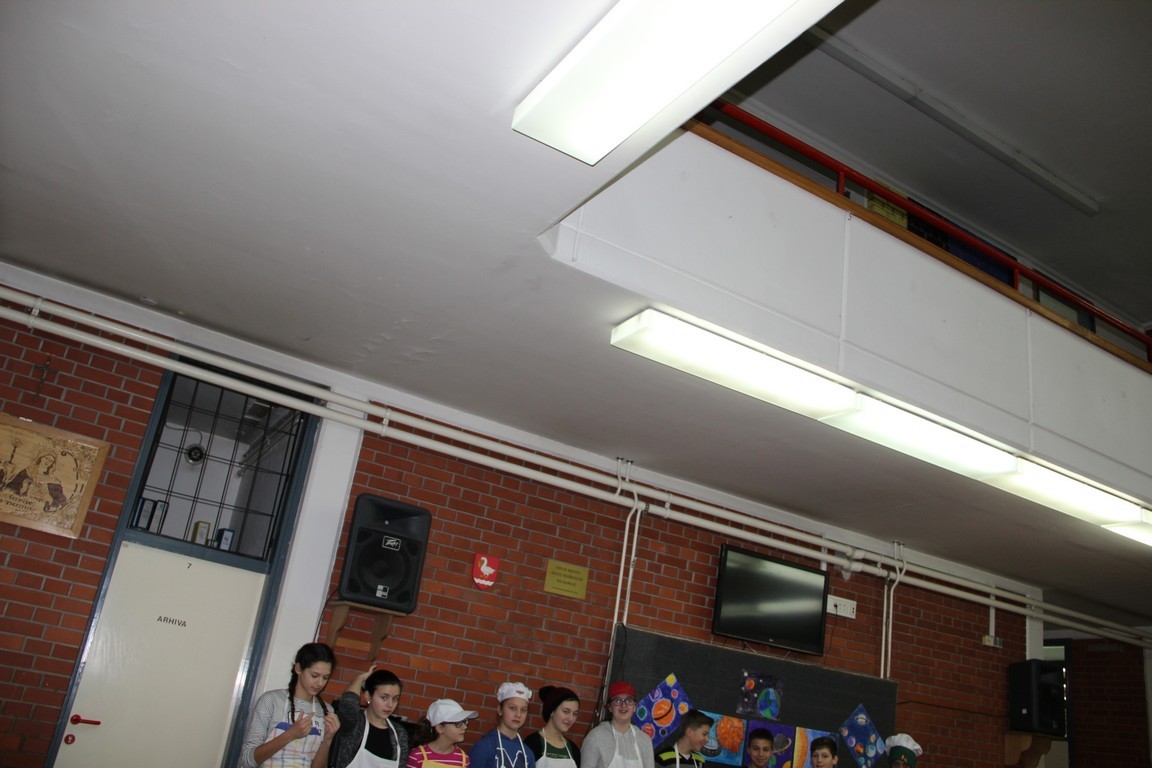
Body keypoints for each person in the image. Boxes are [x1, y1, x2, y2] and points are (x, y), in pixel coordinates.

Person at [239, 642, 341, 768]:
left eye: (325, 678)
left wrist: (328, 740)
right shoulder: (272, 701)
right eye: (314, 675)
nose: (320, 683)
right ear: (298, 668)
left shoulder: (327, 711)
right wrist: (290, 734)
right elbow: (248, 760)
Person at [330, 665, 410, 768]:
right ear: (368, 696)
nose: (390, 704)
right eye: (384, 697)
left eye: (395, 699)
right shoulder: (355, 723)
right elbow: (348, 704)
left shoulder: (399, 733)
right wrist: (361, 678)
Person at [581, 681, 654, 768]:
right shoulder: (595, 737)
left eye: (629, 700)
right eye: (617, 700)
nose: (623, 705)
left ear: (634, 707)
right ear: (610, 707)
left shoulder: (644, 740)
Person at [469, 682, 536, 768]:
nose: (518, 714)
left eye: (523, 710)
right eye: (512, 708)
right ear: (500, 710)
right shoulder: (484, 747)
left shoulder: (528, 754)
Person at [407, 698, 479, 768]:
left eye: (465, 722)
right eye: (458, 723)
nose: (465, 727)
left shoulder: (463, 759)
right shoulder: (418, 756)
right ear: (439, 728)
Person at [524, 686, 581, 768]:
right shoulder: (532, 743)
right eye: (566, 711)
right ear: (552, 711)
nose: (571, 718)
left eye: (575, 714)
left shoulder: (573, 749)